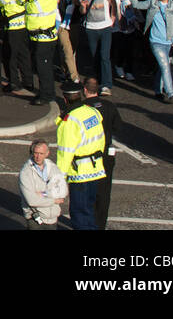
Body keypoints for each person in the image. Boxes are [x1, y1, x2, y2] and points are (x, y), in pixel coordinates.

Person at [54, 80, 105, 230]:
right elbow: (101, 138)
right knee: (89, 211)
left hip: (79, 174)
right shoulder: (93, 112)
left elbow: (65, 154)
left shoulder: (69, 121)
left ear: (65, 99)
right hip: (96, 169)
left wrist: (59, 180)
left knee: (79, 214)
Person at [81, 76, 122, 229]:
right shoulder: (109, 106)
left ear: (85, 90)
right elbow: (119, 127)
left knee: (87, 193)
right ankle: (100, 225)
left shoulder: (81, 108)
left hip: (87, 156)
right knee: (104, 193)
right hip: (106, 155)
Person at [24, 0, 61, 106]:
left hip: (45, 37)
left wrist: (28, 1)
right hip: (36, 36)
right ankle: (44, 92)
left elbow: (32, 7)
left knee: (44, 68)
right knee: (40, 67)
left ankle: (47, 95)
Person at [18, 139, 68, 229]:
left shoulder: (53, 168)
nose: (38, 157)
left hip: (53, 218)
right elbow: (32, 200)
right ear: (32, 153)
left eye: (41, 153)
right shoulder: (25, 173)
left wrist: (43, 194)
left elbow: (62, 192)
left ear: (47, 153)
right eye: (36, 153)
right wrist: (54, 200)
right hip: (35, 219)